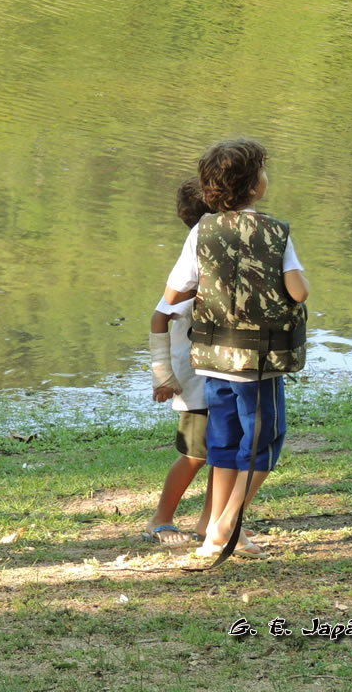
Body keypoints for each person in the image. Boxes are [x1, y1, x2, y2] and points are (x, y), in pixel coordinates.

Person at [163, 138, 308, 559]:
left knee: (224, 444)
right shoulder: (274, 231)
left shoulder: (201, 232)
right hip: (258, 361)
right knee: (265, 441)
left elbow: (173, 296)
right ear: (253, 186)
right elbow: (297, 292)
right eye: (262, 170)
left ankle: (217, 530)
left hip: (212, 360)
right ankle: (227, 524)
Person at [144, 177, 213, 545]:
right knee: (195, 453)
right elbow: (160, 315)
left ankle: (211, 522)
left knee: (227, 453)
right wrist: (162, 373)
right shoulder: (196, 259)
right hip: (196, 376)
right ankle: (161, 517)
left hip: (226, 370)